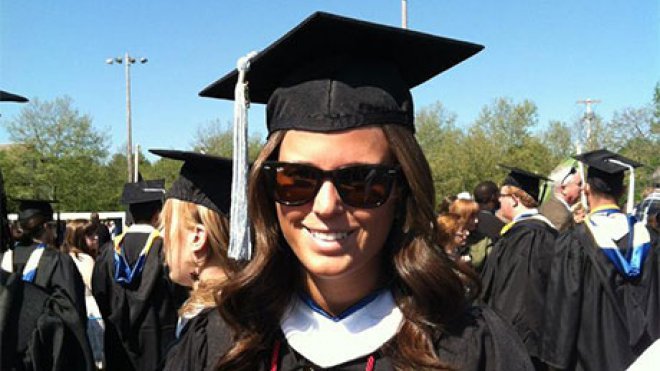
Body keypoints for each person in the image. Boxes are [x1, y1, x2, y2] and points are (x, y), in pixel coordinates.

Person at [201, 12, 533, 370]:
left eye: (360, 182)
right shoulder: (226, 341)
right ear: (266, 190)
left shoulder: (470, 347)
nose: (326, 206)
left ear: (402, 191)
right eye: (296, 179)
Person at [541, 149, 660, 371]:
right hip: (646, 357)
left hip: (590, 360)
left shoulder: (574, 242)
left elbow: (563, 311)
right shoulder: (650, 241)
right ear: (623, 190)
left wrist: (556, 362)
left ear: (586, 190)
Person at [148, 149, 239, 371]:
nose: (162, 239)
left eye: (167, 228)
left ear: (197, 238)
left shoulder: (215, 332)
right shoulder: (238, 311)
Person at [92, 180, 187, 371]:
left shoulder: (109, 251)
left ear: (131, 215)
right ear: (157, 215)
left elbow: (99, 293)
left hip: (118, 341)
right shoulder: (166, 249)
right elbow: (180, 296)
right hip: (159, 342)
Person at [479, 166, 558, 368]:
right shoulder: (532, 233)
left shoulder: (528, 236)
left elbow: (515, 297)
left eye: (502, 195)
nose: (498, 200)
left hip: (519, 341)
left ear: (514, 199)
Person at [0, 199, 87, 320]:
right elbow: (72, 313)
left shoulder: (3, 258)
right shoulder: (58, 261)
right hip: (41, 336)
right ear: (46, 226)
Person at [61, 218, 106, 369]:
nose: (96, 237)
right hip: (91, 313)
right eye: (90, 235)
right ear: (78, 238)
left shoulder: (62, 257)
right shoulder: (84, 259)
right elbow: (96, 288)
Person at [539, 163, 582, 233]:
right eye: (579, 184)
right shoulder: (563, 218)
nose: (582, 188)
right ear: (564, 188)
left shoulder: (544, 207)